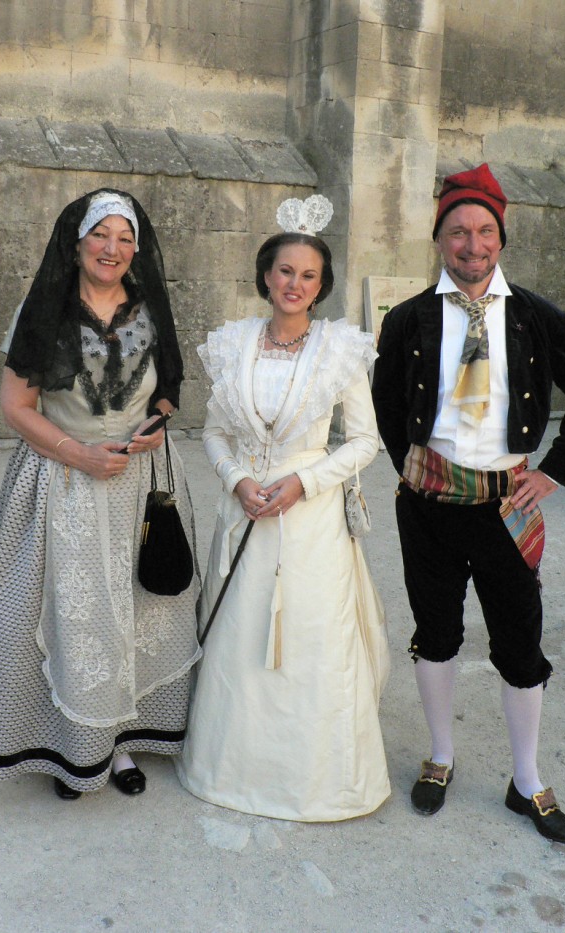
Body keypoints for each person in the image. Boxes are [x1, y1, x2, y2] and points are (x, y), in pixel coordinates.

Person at [371, 164, 565, 843]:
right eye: (457, 232)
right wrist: (413, 465)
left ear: (499, 237)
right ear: (438, 239)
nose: (471, 245)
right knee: (437, 632)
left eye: (483, 231)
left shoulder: (537, 316)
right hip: (429, 506)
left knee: (520, 641)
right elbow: (388, 403)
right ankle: (442, 756)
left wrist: (554, 473)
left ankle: (527, 778)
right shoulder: (410, 318)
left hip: (509, 503)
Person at [0, 188, 201, 800]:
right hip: (62, 477)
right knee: (68, 616)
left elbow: (167, 390)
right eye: (100, 235)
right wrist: (78, 454)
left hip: (140, 483)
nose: (113, 248)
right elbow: (15, 406)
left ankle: (123, 742)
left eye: (125, 237)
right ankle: (70, 747)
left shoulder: (150, 306)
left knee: (139, 610)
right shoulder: (42, 307)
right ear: (75, 243)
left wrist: (157, 423)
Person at [176, 196, 390, 821]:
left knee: (310, 639)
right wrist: (238, 479)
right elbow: (213, 431)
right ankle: (229, 769)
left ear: (320, 286)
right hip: (244, 512)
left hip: (310, 520)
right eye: (285, 271)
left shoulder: (340, 350)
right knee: (240, 636)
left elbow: (365, 440)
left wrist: (305, 483)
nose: (295, 284)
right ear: (266, 275)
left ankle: (316, 780)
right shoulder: (231, 343)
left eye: (309, 275)